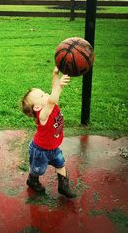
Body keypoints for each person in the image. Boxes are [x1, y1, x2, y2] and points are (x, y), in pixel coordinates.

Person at [21, 66, 76, 198]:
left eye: (44, 92)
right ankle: (32, 180)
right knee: (38, 170)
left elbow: (53, 90)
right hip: (41, 151)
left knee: (60, 164)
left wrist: (55, 73)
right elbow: (52, 99)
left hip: (54, 148)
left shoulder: (49, 104)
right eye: (42, 95)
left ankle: (63, 187)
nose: (46, 94)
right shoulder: (43, 115)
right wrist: (59, 88)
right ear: (37, 107)